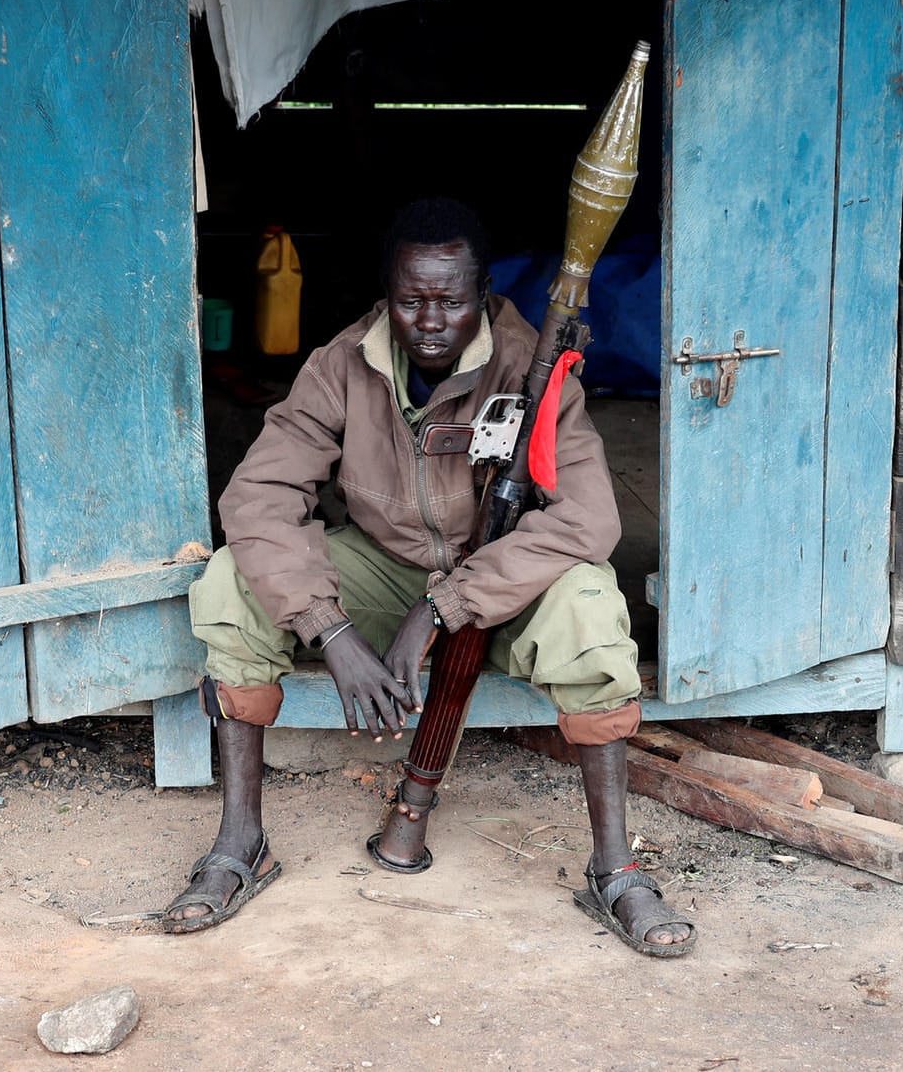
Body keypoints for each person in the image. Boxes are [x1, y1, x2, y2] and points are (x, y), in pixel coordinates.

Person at [163, 199, 694, 955]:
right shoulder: (342, 364)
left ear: (482, 294)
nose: (431, 319)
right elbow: (259, 497)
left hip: (501, 583)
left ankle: (614, 868)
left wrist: (448, 605)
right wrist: (331, 628)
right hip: (382, 570)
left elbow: (588, 521)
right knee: (229, 583)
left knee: (587, 607)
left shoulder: (531, 367)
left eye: (451, 299)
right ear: (388, 295)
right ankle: (241, 842)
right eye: (413, 300)